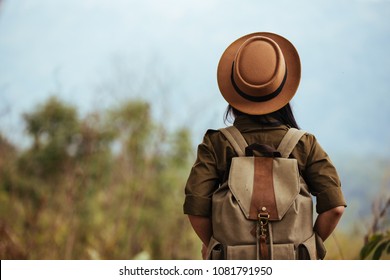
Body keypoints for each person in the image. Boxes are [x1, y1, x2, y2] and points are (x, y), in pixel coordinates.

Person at [183, 32, 346, 259]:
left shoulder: (217, 144)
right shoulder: (305, 144)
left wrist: (216, 247)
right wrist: (310, 249)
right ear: (283, 91)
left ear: (233, 93)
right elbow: (335, 207)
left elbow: (196, 208)